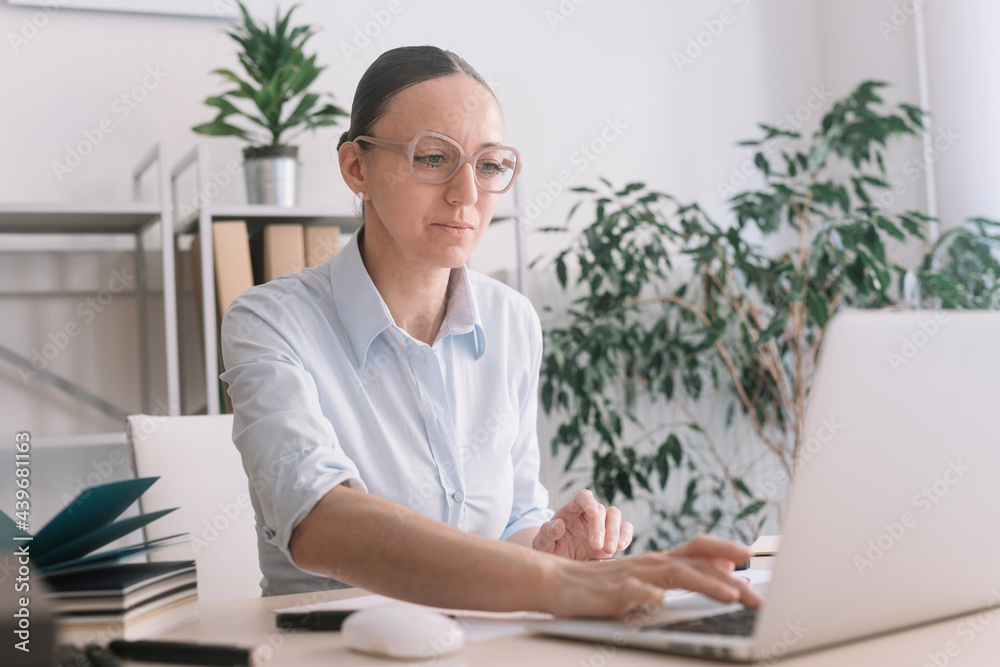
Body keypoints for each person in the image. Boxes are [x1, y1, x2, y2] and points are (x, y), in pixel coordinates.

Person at [220, 45, 760, 617]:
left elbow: (513, 522)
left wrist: (551, 552)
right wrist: (549, 584)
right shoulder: (271, 322)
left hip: (482, 642)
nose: (467, 195)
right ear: (357, 168)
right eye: (432, 159)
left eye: (489, 165)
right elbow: (320, 520)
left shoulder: (512, 321)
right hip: (334, 648)